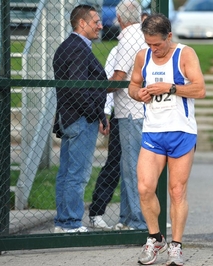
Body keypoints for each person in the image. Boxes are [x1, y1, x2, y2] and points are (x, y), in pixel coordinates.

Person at [128, 13, 206, 265]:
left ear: (169, 36)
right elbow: (132, 85)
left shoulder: (185, 54)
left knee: (177, 191)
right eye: (149, 44)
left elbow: (200, 89)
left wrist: (170, 88)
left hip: (181, 132)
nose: (154, 49)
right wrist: (138, 94)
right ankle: (155, 237)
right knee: (144, 187)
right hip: (153, 132)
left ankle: (176, 245)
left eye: (158, 44)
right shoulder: (143, 56)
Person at [52, 4, 109, 233]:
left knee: (66, 172)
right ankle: (71, 222)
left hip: (70, 118)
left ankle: (63, 221)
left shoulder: (68, 46)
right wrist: (95, 114)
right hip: (80, 120)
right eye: (95, 22)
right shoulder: (77, 49)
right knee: (77, 174)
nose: (100, 26)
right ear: (82, 23)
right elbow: (77, 89)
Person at [107, 0, 148, 230]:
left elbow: (119, 77)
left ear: (120, 18)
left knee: (132, 168)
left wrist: (95, 87)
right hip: (137, 111)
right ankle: (126, 217)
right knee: (129, 165)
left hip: (130, 113)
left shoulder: (127, 39)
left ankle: (138, 221)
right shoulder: (141, 36)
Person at [88, 47, 121, 230]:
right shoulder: (119, 49)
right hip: (121, 115)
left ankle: (148, 216)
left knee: (149, 168)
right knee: (114, 164)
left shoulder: (154, 49)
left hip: (149, 117)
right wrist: (106, 114)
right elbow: (108, 81)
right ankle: (97, 212)